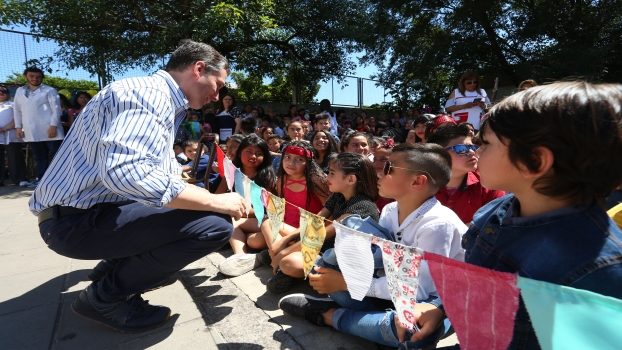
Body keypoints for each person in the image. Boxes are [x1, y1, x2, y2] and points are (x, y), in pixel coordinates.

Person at [30, 40, 247, 333]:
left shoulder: (160, 101)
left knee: (193, 211)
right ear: (198, 69)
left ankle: (113, 269)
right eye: (218, 85)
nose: (217, 95)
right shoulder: (148, 95)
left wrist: (198, 195)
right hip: (73, 223)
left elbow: (159, 176)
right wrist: (216, 201)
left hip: (80, 214)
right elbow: (125, 172)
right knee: (213, 224)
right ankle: (105, 297)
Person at [411, 81, 622, 348]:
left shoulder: (598, 274)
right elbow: (477, 279)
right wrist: (440, 309)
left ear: (534, 161)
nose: (476, 152)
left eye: (485, 143)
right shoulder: (496, 209)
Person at [278, 144, 466, 349]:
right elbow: (380, 261)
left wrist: (348, 283)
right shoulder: (390, 210)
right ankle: (377, 325)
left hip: (436, 304)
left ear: (417, 181)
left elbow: (419, 291)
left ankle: (329, 315)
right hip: (393, 290)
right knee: (328, 265)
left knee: (414, 332)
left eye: (389, 168)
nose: (379, 172)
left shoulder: (437, 225)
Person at [259, 141, 330, 293]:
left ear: (308, 163)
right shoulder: (281, 180)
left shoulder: (315, 181)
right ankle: (278, 259)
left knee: (266, 232)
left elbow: (328, 211)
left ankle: (277, 259)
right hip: (289, 229)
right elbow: (278, 209)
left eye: (299, 159)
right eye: (288, 157)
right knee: (265, 225)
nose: (291, 163)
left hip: (309, 232)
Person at [218, 134, 277, 276]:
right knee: (252, 242)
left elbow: (270, 210)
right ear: (240, 153)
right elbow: (217, 197)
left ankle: (240, 257)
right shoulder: (231, 174)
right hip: (242, 223)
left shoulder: (268, 178)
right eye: (249, 152)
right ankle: (243, 257)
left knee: (233, 223)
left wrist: (241, 212)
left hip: (261, 221)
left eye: (259, 153)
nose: (253, 156)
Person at [428, 124, 505, 224]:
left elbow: (494, 226)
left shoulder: (489, 186)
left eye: (473, 147)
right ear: (439, 155)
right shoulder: (421, 185)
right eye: (462, 149)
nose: (473, 152)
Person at [13, 67, 65, 183]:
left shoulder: (49, 90)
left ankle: (59, 180)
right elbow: (16, 110)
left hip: (50, 129)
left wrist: (53, 126)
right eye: (32, 76)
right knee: (39, 157)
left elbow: (56, 109)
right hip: (31, 130)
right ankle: (42, 180)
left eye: (38, 77)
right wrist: (18, 127)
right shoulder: (20, 91)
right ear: (25, 76)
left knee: (56, 156)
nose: (35, 79)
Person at [0, 85, 27, 186]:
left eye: (3, 91)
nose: (1, 93)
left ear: (8, 93)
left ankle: (20, 179)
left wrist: (5, 128)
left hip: (11, 135)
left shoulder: (13, 104)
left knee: (15, 158)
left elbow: (19, 118)